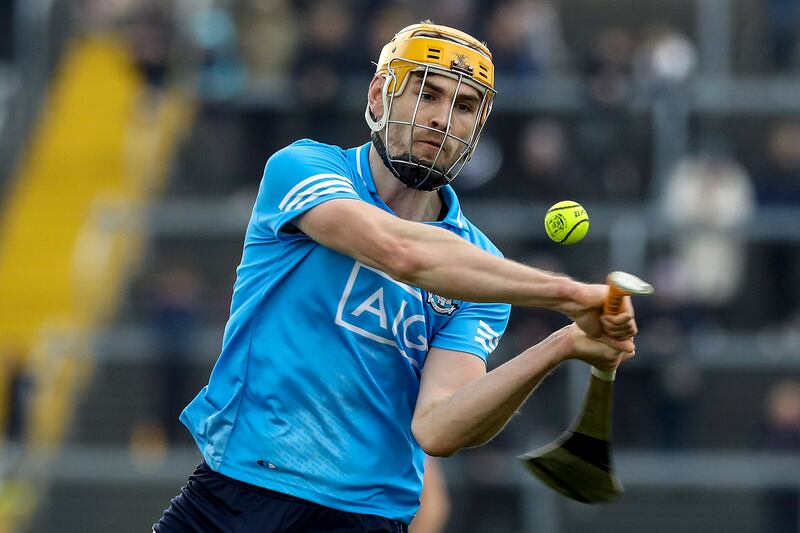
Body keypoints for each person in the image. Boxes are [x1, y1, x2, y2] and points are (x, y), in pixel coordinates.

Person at [154, 21, 637, 533]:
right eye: (427, 93)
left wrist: (562, 344)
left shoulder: (482, 271)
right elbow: (399, 251)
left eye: (465, 106)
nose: (442, 119)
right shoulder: (304, 169)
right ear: (380, 94)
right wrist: (565, 293)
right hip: (238, 495)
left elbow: (440, 427)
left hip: (364, 520)